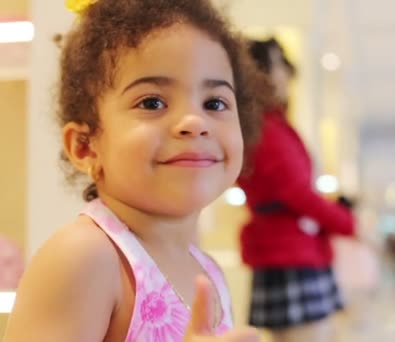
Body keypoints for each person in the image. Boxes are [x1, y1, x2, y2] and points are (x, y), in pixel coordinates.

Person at [4, 0, 268, 341]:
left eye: (214, 103)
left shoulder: (207, 269)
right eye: (152, 102)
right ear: (85, 146)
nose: (194, 122)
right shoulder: (85, 257)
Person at [238, 38, 356, 341]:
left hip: (292, 249)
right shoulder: (265, 127)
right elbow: (297, 194)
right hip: (288, 252)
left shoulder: (269, 124)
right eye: (277, 66)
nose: (284, 76)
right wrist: (347, 222)